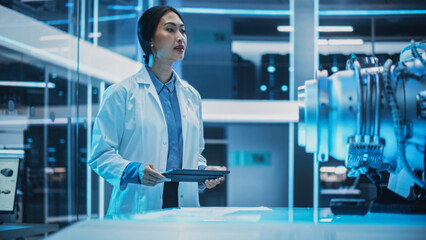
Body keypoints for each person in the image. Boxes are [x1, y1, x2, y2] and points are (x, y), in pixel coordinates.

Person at [89, 5, 225, 215]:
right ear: (149, 39)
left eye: (183, 30)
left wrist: (201, 172)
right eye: (170, 30)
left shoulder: (192, 96)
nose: (180, 37)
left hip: (184, 210)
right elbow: (100, 155)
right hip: (137, 209)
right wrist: (133, 171)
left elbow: (195, 154)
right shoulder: (121, 93)